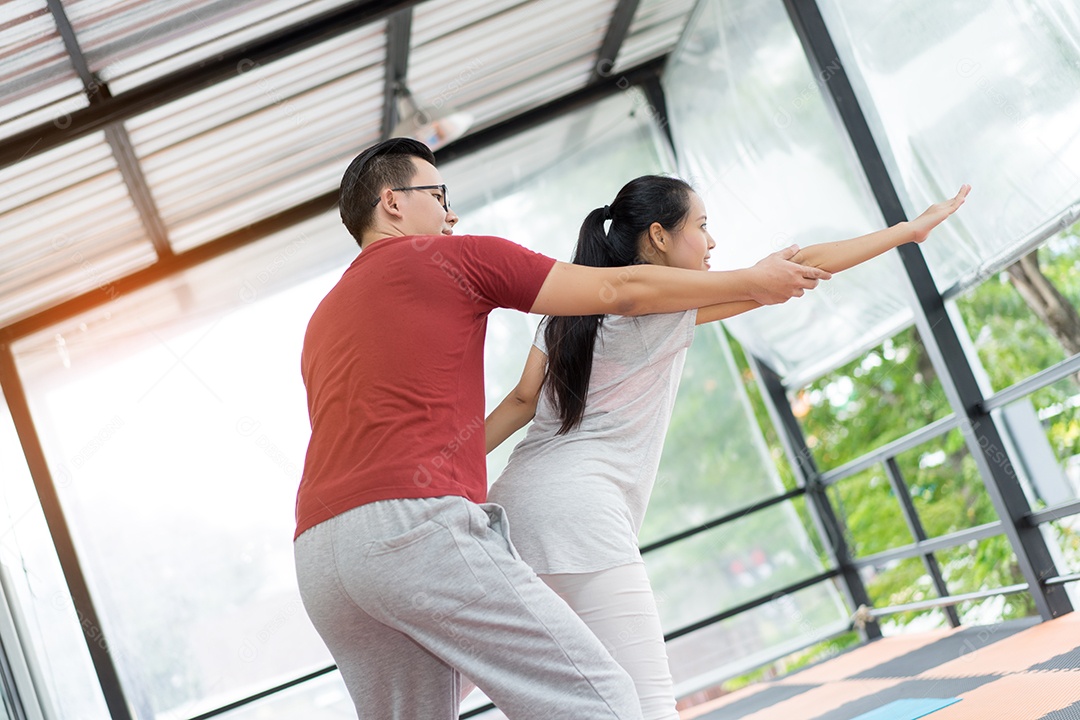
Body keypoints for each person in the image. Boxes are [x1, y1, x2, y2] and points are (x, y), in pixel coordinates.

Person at [292, 138, 832, 720]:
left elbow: (412, 435)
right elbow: (620, 290)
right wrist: (752, 279)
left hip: (318, 556)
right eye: (439, 195)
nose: (451, 213)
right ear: (392, 201)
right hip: (413, 530)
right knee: (605, 702)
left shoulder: (322, 318)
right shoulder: (456, 259)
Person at [485, 175, 970, 720]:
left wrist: (434, 468)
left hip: (513, 510)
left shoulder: (566, 311)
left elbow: (522, 400)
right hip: (581, 517)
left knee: (571, 704)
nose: (712, 242)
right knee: (647, 706)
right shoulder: (658, 305)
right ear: (659, 237)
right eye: (702, 226)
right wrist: (905, 232)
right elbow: (801, 264)